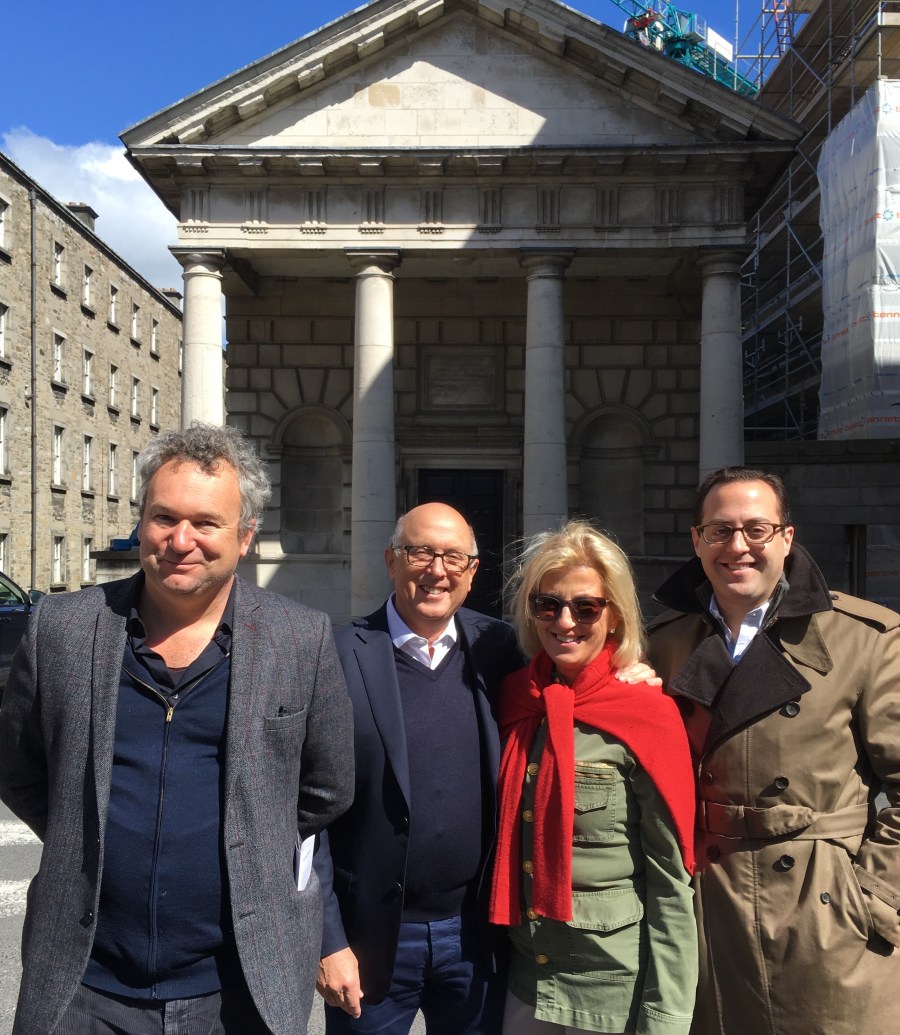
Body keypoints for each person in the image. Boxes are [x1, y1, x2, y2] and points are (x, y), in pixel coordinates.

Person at [0, 422, 354, 1035]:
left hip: (238, 986)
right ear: (141, 521)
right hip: (84, 986)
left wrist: (251, 836)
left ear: (244, 537)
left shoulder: (301, 639)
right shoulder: (62, 627)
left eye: (206, 523)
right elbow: (18, 768)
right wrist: (82, 832)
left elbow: (327, 787)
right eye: (163, 518)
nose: (180, 540)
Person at [648, 466, 900, 1035]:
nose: (737, 546)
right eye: (719, 531)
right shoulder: (663, 644)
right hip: (709, 914)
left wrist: (874, 897)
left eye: (756, 530)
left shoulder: (864, 638)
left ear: (787, 538)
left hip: (828, 920)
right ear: (696, 540)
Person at [313, 502, 525, 1034]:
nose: (437, 570)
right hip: (371, 941)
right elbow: (304, 814)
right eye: (420, 552)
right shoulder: (336, 655)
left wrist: (634, 669)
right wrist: (328, 940)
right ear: (390, 561)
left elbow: (579, 679)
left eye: (454, 556)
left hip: (477, 936)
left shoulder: (500, 648)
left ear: (473, 573)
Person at [490, 519, 698, 1035]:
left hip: (613, 986)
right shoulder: (514, 700)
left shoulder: (645, 714)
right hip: (526, 979)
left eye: (585, 607)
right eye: (548, 605)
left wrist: (667, 1016)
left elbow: (672, 882)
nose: (566, 621)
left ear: (615, 617)